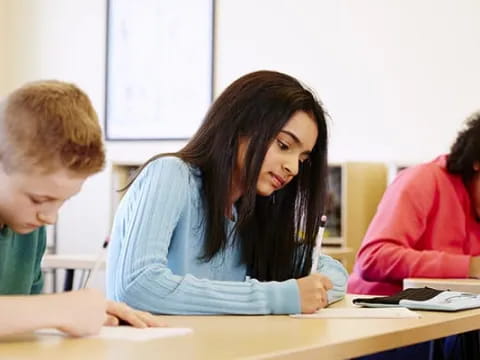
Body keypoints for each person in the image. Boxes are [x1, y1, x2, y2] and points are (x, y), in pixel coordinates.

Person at [107, 70, 348, 315]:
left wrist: (309, 291)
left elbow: (334, 275)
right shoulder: (171, 175)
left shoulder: (252, 213)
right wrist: (279, 297)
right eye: (284, 145)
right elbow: (138, 285)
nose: (293, 168)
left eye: (303, 159)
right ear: (240, 126)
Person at [0, 80, 164, 337]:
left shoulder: (30, 226)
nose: (50, 217)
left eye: (63, 201)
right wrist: (57, 310)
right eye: (38, 199)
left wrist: (85, 313)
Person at [348, 111, 480, 359]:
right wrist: (469, 265)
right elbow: (373, 258)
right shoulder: (424, 179)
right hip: (380, 324)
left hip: (441, 326)